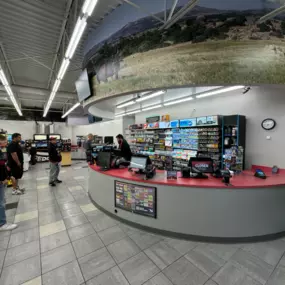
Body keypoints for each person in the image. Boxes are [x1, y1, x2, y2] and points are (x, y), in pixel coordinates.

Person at [0, 134, 18, 231]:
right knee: (1, 202)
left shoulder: (2, 150)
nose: (7, 142)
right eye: (5, 141)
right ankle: (2, 224)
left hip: (3, 179)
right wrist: (2, 179)